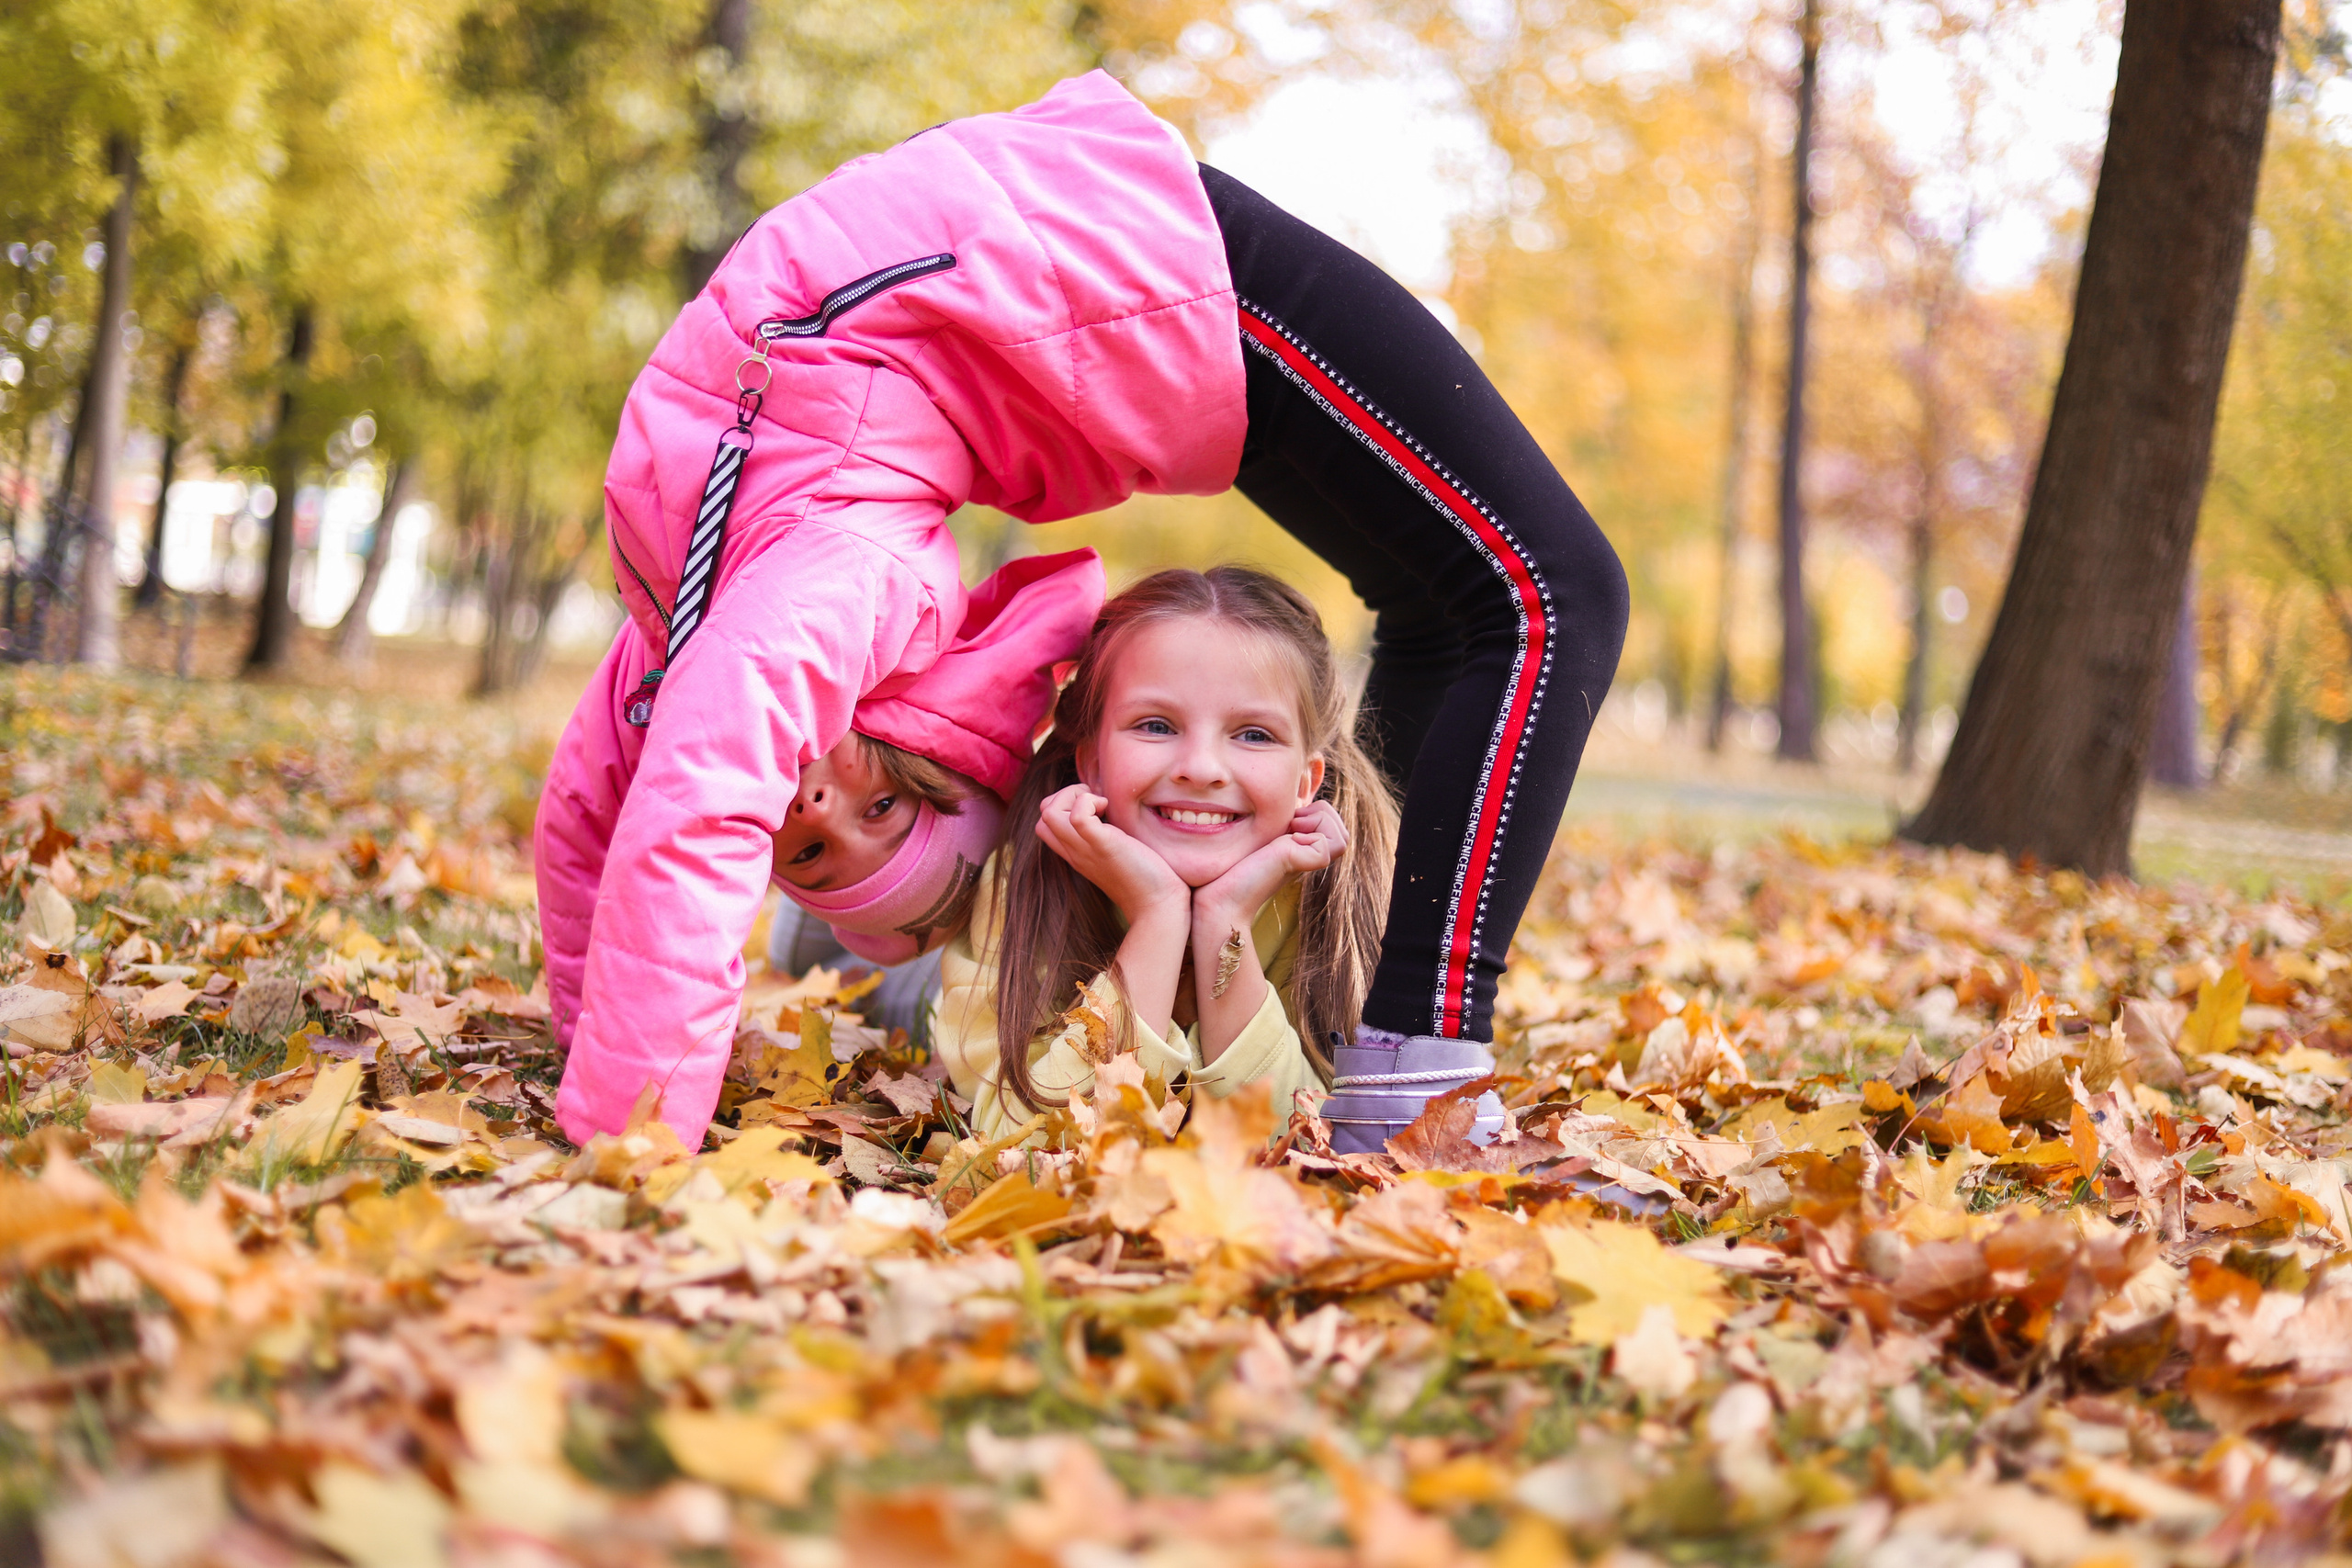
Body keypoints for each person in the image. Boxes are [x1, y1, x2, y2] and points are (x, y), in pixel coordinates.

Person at [548, 69, 1626, 1152]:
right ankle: (1388, 1050)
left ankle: (1406, 1063)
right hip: (1098, 281)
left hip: (1124, 266)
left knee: (1550, 595)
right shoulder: (700, 597)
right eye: (853, 833)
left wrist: (624, 1143)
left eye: (836, 837)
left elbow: (667, 820)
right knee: (1482, 599)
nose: (818, 800)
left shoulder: (810, 592)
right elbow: (595, 818)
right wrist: (583, 1040)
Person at [538, 551, 1102, 1134]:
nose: (815, 811)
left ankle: (827, 940)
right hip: (954, 961)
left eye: (809, 852)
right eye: (882, 808)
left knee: (903, 994)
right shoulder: (881, 613)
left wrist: (589, 1036)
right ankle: (829, 937)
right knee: (919, 993)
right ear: (930, 763)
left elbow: (584, 811)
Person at [932, 566, 1389, 1139]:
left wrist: (1226, 921)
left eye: (1252, 735)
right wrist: (1157, 915)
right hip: (940, 996)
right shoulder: (1027, 874)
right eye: (1155, 725)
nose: (1199, 769)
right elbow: (1018, 1148)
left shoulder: (1337, 894)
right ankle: (824, 937)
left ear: (1305, 781)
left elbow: (1311, 1150)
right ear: (1092, 762)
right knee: (903, 998)